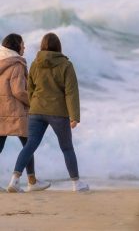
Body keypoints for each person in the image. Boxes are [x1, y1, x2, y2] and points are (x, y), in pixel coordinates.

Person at [8, 32, 89, 192]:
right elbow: (71, 92)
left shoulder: (35, 64)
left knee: (30, 145)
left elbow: (30, 88)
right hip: (58, 112)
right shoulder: (66, 65)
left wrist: (32, 106)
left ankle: (14, 180)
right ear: (58, 47)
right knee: (66, 148)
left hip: (36, 110)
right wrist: (74, 116)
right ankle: (76, 184)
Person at [0, 33, 50, 192]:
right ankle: (31, 181)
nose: (24, 47)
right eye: (22, 44)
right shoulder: (17, 65)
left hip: (1, 111)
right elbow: (19, 91)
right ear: (16, 46)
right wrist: (34, 103)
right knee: (29, 143)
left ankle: (31, 180)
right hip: (16, 112)